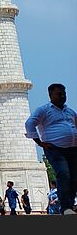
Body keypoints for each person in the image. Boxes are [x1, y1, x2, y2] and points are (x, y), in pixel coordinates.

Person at [25, 83, 77, 215]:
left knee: (74, 178)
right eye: (59, 93)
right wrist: (39, 142)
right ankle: (65, 207)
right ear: (50, 95)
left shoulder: (70, 111)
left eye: (64, 93)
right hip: (55, 149)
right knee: (63, 174)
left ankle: (69, 206)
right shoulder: (44, 110)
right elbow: (30, 123)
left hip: (72, 149)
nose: (62, 96)